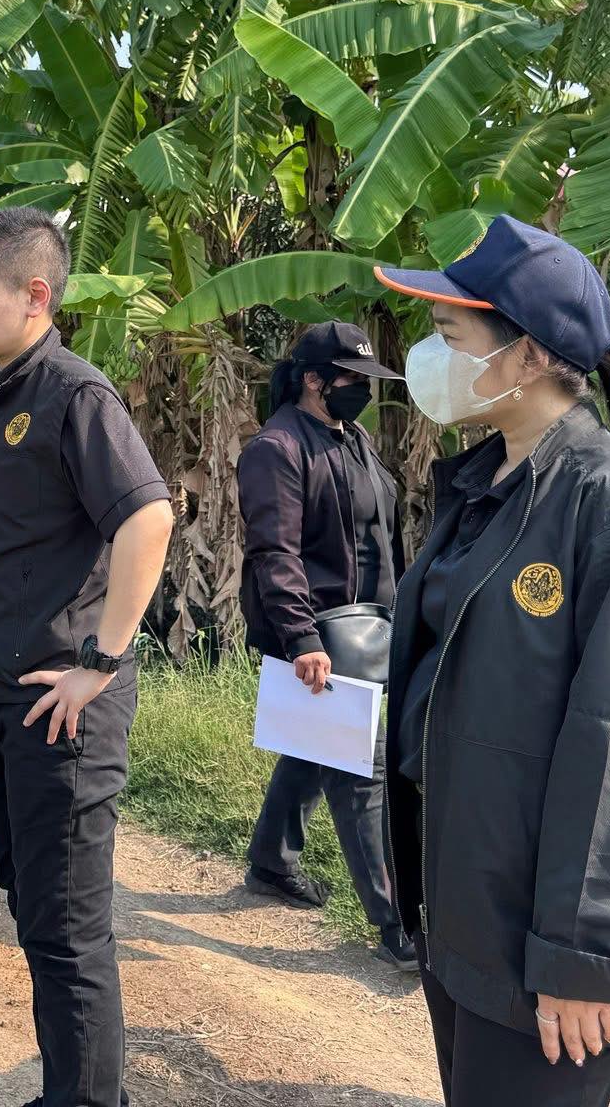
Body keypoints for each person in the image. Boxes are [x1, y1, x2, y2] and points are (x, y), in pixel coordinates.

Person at [373, 216, 610, 1107]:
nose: (432, 357)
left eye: (451, 336)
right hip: (470, 905)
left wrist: (586, 954)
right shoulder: (486, 483)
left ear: (527, 358)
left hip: (546, 937)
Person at [0, 206, 173, 1107]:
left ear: (34, 295)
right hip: (3, 698)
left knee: (69, 930)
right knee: (36, 911)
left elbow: (148, 519)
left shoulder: (75, 395)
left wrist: (99, 664)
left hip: (63, 709)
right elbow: (6, 544)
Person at [236, 321, 414, 970]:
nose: (362, 391)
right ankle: (396, 922)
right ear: (314, 380)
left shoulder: (353, 438)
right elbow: (273, 552)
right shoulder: (277, 448)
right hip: (315, 633)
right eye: (352, 380)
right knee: (359, 774)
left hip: (368, 629)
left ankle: (270, 861)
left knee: (312, 750)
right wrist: (302, 638)